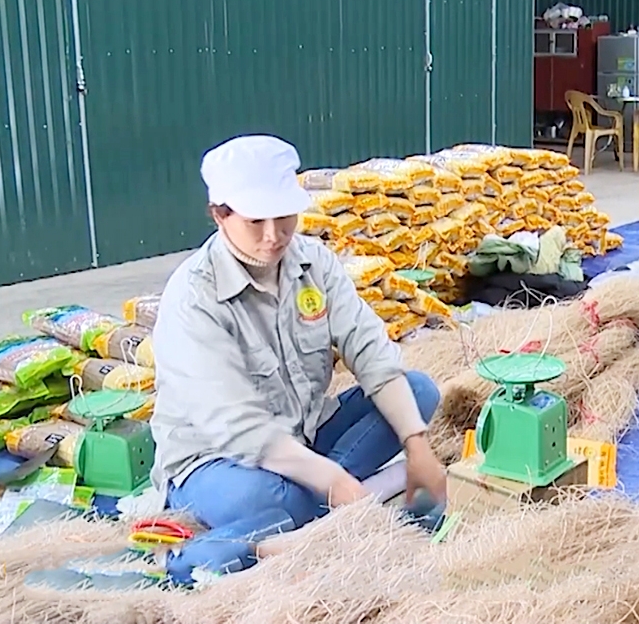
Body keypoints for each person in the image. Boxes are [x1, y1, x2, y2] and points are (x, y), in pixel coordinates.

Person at [152, 135, 447, 536]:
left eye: (284, 216)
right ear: (220, 216)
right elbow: (239, 428)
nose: (274, 235)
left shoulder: (313, 263)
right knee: (272, 500)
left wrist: (417, 445)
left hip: (300, 436)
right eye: (255, 221)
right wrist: (335, 482)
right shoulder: (194, 298)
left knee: (417, 393)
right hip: (218, 460)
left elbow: (369, 348)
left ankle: (312, 507)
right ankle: (332, 498)